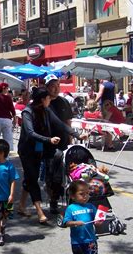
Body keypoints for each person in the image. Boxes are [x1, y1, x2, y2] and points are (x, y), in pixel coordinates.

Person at [17, 89, 87, 223]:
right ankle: (39, 211)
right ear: (43, 99)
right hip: (27, 150)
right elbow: (30, 133)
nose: (50, 100)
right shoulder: (28, 112)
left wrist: (77, 135)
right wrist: (48, 140)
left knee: (31, 177)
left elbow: (60, 124)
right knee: (32, 178)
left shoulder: (46, 110)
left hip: (39, 149)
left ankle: (21, 205)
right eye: (49, 98)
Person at [63, 180, 101, 254]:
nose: (85, 196)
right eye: (81, 194)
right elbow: (66, 223)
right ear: (73, 196)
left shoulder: (91, 207)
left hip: (91, 239)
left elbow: (97, 221)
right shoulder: (71, 208)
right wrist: (75, 223)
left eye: (87, 193)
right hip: (78, 241)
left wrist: (98, 223)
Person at [45, 74, 74, 214]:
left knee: (64, 173)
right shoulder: (44, 102)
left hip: (63, 142)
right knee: (52, 174)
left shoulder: (64, 102)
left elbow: (68, 121)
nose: (56, 89)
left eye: (58, 86)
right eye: (52, 86)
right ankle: (53, 199)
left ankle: (61, 198)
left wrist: (71, 139)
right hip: (48, 144)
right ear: (47, 87)